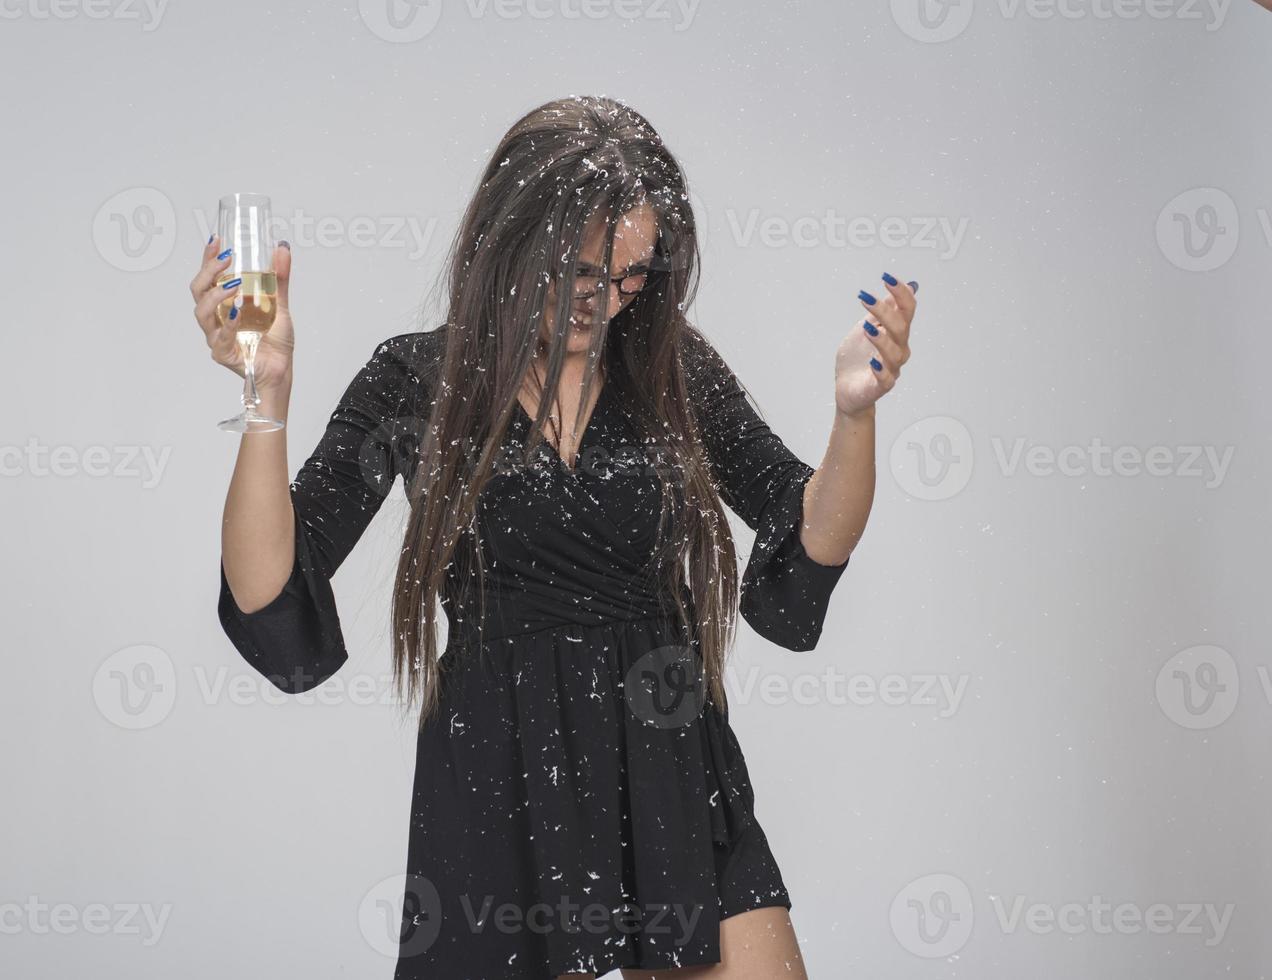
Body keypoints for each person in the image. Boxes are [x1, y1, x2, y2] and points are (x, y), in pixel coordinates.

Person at [191, 95, 917, 980]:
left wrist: (854, 418)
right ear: (513, 240)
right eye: (580, 272)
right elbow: (270, 591)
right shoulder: (416, 379)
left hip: (669, 756)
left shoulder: (671, 367)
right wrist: (265, 396)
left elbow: (807, 537)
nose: (605, 303)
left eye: (632, 277)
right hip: (503, 773)